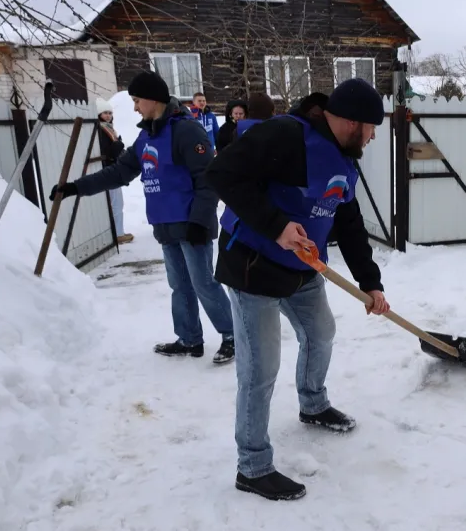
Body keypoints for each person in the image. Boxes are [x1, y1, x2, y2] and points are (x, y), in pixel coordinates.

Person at [206, 78, 390, 501]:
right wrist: (276, 226)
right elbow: (221, 174)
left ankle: (313, 403)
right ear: (352, 122)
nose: (373, 136)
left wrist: (370, 282)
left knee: (321, 333)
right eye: (371, 127)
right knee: (260, 369)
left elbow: (349, 223)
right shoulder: (286, 135)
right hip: (252, 267)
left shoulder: (344, 159)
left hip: (303, 270)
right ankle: (253, 467)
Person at [50, 72, 237, 365]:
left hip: (191, 225)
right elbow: (120, 172)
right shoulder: (147, 136)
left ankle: (233, 336)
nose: (135, 107)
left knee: (203, 284)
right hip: (165, 225)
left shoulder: (186, 131)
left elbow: (207, 178)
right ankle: (189, 338)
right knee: (180, 286)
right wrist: (77, 187)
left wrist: (200, 222)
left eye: (137, 101)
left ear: (153, 99)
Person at [95, 96, 133, 244]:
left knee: (115, 203)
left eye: (110, 113)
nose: (108, 116)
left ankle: (117, 232)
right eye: (105, 113)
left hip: (110, 169)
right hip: (108, 170)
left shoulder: (109, 129)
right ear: (99, 114)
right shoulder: (101, 130)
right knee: (115, 203)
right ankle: (118, 233)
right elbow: (106, 151)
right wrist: (117, 146)